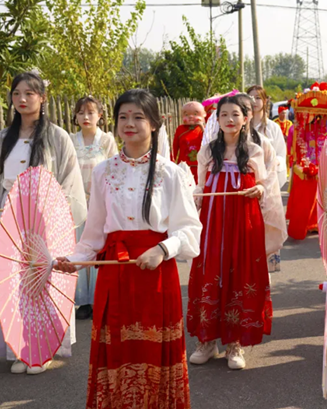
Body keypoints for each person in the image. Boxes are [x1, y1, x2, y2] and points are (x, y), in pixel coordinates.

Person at [56, 89, 200, 408]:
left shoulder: (170, 172)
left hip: (157, 276)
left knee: (155, 353)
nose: (129, 123)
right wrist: (74, 261)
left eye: (138, 117)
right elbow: (94, 235)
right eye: (123, 117)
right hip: (115, 276)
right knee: (117, 353)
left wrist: (162, 249)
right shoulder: (103, 171)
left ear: (154, 123)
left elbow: (189, 229)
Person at [0, 72, 87, 375]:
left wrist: (55, 212)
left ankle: (42, 349)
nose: (22, 99)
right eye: (17, 93)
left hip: (43, 216)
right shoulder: (3, 137)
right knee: (13, 281)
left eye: (30, 93)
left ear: (43, 98)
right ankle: (18, 348)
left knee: (40, 279)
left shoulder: (57, 137)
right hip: (10, 216)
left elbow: (69, 181)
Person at [187, 95, 272, 370]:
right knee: (210, 270)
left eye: (235, 114)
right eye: (224, 115)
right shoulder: (208, 151)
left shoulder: (254, 150)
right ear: (217, 120)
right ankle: (207, 340)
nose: (230, 119)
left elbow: (263, 184)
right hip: (212, 222)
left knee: (239, 271)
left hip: (243, 221)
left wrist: (258, 188)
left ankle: (235, 343)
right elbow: (200, 185)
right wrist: (195, 195)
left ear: (245, 118)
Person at [70, 96, 118, 320]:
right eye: (81, 113)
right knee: (79, 244)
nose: (85, 117)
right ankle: (83, 300)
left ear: (100, 115)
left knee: (99, 245)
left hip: (100, 201)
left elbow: (114, 169)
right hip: (77, 202)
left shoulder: (106, 140)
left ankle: (101, 296)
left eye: (90, 112)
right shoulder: (70, 140)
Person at [236, 93, 288, 272]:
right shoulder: (217, 145)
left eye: (245, 111)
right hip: (232, 203)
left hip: (259, 198)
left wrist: (262, 188)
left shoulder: (265, 137)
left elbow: (273, 167)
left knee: (259, 244)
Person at [248, 85, 288, 187]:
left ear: (265, 101)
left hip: (268, 177)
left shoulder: (273, 127)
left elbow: (281, 154)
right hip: (246, 177)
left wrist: (274, 162)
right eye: (251, 98)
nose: (254, 101)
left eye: (258, 98)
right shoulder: (242, 127)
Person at [172, 101, 206, 182]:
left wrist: (202, 127)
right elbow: (174, 147)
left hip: (200, 166)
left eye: (195, 114)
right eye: (186, 114)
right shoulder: (180, 129)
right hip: (184, 166)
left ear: (203, 114)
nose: (190, 117)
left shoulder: (204, 129)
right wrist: (172, 163)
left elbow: (208, 142)